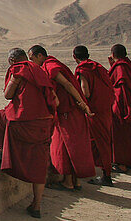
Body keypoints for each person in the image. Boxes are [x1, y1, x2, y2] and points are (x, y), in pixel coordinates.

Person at [0, 47, 57, 218]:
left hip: (23, 123)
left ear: (12, 61)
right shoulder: (39, 71)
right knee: (39, 165)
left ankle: (1, 149)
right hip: (44, 124)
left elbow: (7, 94)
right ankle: (36, 205)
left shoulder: (19, 71)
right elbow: (54, 99)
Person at [29, 45, 95, 191]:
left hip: (68, 112)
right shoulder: (50, 65)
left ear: (40, 56)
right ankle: (74, 182)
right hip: (68, 112)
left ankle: (69, 183)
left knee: (67, 146)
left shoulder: (50, 66)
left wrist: (83, 104)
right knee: (71, 146)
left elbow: (68, 85)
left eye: (32, 58)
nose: (32, 62)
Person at [73, 45, 115, 185]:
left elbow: (85, 92)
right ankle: (101, 170)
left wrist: (78, 103)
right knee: (101, 141)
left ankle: (106, 176)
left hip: (94, 111)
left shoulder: (83, 70)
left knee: (100, 142)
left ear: (74, 57)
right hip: (106, 109)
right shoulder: (98, 67)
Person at [109, 43, 131, 172]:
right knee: (128, 134)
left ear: (113, 54)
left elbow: (121, 87)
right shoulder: (127, 64)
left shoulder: (121, 67)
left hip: (121, 105)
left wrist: (122, 107)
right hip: (128, 104)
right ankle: (128, 161)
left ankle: (121, 163)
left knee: (120, 135)